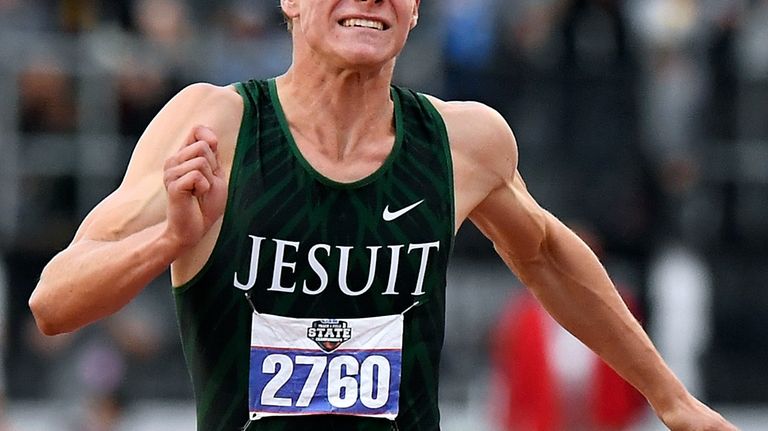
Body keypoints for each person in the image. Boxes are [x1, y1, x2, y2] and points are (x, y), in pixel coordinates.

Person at [28, 0, 738, 430]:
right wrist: (170, 241)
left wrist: (670, 398)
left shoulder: (464, 143)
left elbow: (549, 255)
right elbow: (53, 301)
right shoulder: (217, 125)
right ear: (290, 1)